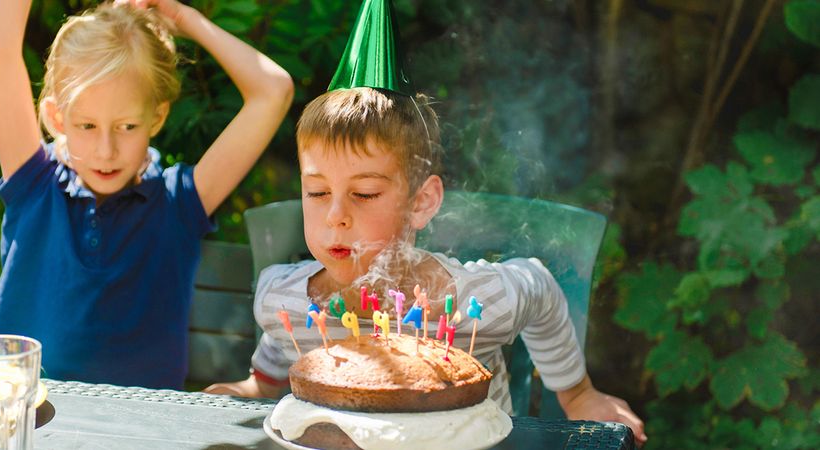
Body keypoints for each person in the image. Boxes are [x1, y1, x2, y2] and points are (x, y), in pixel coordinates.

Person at [204, 87, 647, 446]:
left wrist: (577, 394)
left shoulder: (478, 300)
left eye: (365, 193)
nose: (335, 215)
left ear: (421, 202)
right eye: (317, 193)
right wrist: (253, 390)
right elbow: (277, 358)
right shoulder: (283, 298)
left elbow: (540, 287)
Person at [0, 0, 293, 389]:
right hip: (20, 416)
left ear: (157, 117)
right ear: (59, 118)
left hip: (139, 430)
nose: (106, 150)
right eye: (88, 125)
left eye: (127, 126)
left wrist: (184, 19)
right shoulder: (34, 185)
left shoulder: (179, 202)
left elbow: (273, 91)